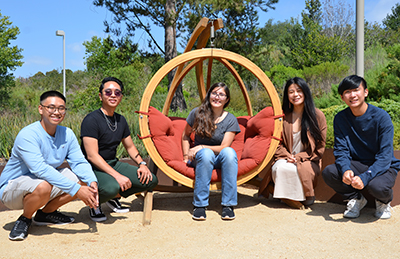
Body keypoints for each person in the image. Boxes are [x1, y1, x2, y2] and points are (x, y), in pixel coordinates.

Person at [0, 91, 99, 241]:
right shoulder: (28, 135)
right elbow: (39, 169)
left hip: (42, 182)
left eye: (61, 108)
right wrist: (77, 190)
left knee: (83, 179)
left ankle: (45, 214)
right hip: (11, 188)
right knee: (44, 186)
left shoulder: (67, 134)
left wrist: (92, 182)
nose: (57, 112)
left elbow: (79, 162)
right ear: (41, 109)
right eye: (51, 107)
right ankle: (25, 219)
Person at [81, 77, 158, 222]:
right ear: (100, 96)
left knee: (150, 180)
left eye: (117, 93)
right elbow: (92, 156)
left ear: (121, 97)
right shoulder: (91, 120)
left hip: (112, 162)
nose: (112, 95)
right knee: (111, 187)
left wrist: (142, 164)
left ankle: (113, 197)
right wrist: (118, 176)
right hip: (93, 166)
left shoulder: (120, 120)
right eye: (108, 92)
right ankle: (94, 204)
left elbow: (129, 146)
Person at [322, 75, 400, 219]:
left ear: (365, 92)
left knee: (376, 186)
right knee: (329, 172)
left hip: (384, 165)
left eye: (356, 90)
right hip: (357, 164)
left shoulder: (382, 117)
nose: (352, 95)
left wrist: (365, 177)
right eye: (347, 92)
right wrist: (345, 169)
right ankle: (356, 199)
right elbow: (341, 150)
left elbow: (385, 156)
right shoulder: (340, 118)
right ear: (342, 97)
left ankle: (383, 201)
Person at [258, 77, 326, 209]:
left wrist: (299, 157)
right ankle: (289, 197)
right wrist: (286, 155)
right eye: (291, 92)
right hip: (286, 157)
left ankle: (304, 196)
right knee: (280, 167)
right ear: (287, 95)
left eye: (299, 90)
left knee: (299, 169)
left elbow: (320, 146)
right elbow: (276, 143)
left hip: (309, 159)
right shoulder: (283, 117)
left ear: (305, 92)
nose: (295, 95)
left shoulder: (317, 116)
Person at [182, 82, 240, 221]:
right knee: (206, 154)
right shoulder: (197, 113)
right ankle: (200, 206)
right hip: (201, 159)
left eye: (221, 94)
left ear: (226, 99)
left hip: (219, 158)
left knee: (230, 153)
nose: (217, 97)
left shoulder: (231, 119)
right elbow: (185, 135)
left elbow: (224, 146)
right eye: (214, 93)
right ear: (209, 95)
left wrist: (202, 146)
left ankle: (228, 205)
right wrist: (186, 155)